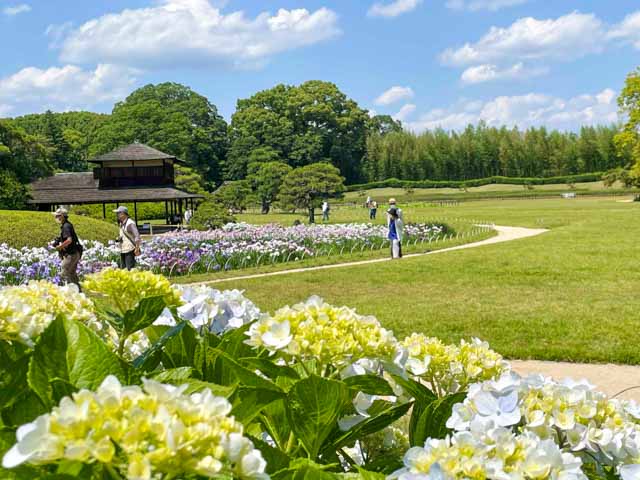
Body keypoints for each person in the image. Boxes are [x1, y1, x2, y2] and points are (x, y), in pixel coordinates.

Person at [52, 207, 83, 288]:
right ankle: (78, 292)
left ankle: (68, 292)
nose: (56, 218)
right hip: (75, 253)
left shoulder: (66, 226)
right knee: (72, 274)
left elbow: (69, 240)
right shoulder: (67, 225)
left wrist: (59, 247)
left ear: (62, 216)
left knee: (64, 273)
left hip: (70, 254)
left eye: (57, 216)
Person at [114, 206, 141, 270]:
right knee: (123, 269)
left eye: (118, 213)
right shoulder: (122, 223)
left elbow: (137, 237)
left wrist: (137, 249)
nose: (117, 215)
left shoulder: (130, 223)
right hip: (123, 249)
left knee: (129, 269)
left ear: (123, 214)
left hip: (130, 249)